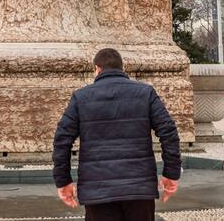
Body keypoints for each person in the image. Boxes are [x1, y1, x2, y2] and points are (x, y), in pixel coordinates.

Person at [52, 48, 181, 220]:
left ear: (97, 69)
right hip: (139, 189)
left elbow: (62, 141)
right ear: (122, 68)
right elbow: (168, 132)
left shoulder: (81, 97)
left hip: (97, 190)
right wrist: (171, 173)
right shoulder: (145, 93)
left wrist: (63, 181)